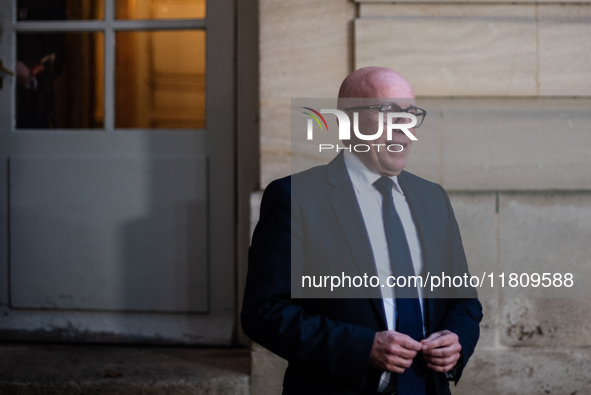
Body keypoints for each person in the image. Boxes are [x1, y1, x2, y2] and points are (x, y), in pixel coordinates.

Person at [241, 66, 483, 395]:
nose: (405, 128)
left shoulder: (433, 198)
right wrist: (361, 347)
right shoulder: (295, 198)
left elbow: (464, 301)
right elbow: (264, 312)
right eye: (389, 113)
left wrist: (457, 340)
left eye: (411, 114)